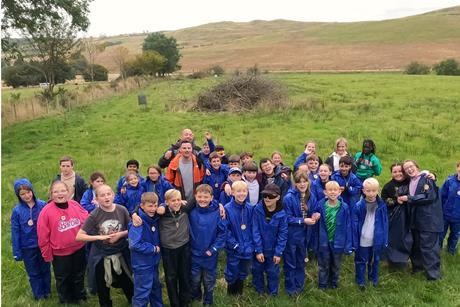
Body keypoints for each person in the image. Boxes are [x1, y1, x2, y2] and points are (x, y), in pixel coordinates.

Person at [76, 184, 134, 307]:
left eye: (108, 194)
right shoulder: (94, 215)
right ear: (96, 199)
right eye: (102, 195)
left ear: (113, 195)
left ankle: (133, 300)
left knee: (126, 280)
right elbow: (79, 236)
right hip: (102, 255)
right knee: (102, 286)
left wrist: (120, 235)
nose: (106, 197)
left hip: (120, 253)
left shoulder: (121, 210)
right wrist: (99, 237)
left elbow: (132, 229)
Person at [37, 181, 88, 304]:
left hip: (79, 247)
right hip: (60, 253)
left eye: (63, 190)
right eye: (56, 191)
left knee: (79, 274)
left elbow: (87, 219)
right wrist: (46, 253)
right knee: (63, 277)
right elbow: (43, 236)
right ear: (51, 194)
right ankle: (65, 299)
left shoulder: (75, 205)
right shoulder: (46, 212)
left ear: (68, 191)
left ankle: (79, 296)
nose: (60, 194)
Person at [399, 160, 443, 280]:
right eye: (406, 168)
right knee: (416, 246)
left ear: (417, 167)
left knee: (428, 248)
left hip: (428, 221)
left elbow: (429, 196)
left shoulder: (427, 178)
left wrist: (409, 198)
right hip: (416, 221)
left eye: (411, 166)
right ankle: (417, 268)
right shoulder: (410, 182)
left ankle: (434, 275)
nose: (409, 169)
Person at [11, 178, 51, 300]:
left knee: (45, 269)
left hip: (43, 244)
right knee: (33, 272)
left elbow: (50, 224)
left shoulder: (42, 205)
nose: (26, 195)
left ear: (32, 191)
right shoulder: (17, 211)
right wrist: (17, 251)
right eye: (22, 194)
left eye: (28, 192)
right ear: (18, 195)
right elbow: (15, 231)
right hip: (27, 247)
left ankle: (47, 292)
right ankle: (39, 295)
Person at [282, 171, 319, 295]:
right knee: (290, 262)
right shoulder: (288, 198)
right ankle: (290, 288)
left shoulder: (311, 196)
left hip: (306, 234)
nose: (302, 184)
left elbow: (313, 210)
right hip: (292, 235)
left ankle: (299, 286)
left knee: (301, 261)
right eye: (299, 182)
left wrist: (315, 214)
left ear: (308, 182)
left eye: (304, 181)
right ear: (295, 184)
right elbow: (287, 218)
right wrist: (303, 220)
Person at [189, 184, 226, 306]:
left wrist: (213, 249)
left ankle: (208, 300)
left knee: (209, 280)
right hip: (194, 254)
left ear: (212, 198)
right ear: (195, 196)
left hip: (210, 255)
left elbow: (222, 234)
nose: (202, 199)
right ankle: (196, 296)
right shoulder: (190, 211)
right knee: (194, 279)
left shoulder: (218, 213)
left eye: (206, 197)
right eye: (200, 196)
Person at [158, 189, 195, 307]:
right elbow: (142, 208)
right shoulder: (161, 213)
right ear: (167, 202)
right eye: (173, 200)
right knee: (171, 277)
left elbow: (199, 197)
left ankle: (184, 302)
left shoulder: (185, 208)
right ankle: (175, 303)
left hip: (184, 247)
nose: (176, 203)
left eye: (178, 200)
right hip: (168, 250)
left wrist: (219, 205)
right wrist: (134, 213)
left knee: (184, 275)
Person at [313, 181, 352, 290]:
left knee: (336, 265)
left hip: (338, 242)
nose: (333, 192)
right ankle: (322, 285)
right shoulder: (320, 205)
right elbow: (315, 219)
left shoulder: (344, 207)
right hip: (324, 241)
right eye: (330, 190)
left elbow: (348, 226)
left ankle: (334, 283)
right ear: (325, 192)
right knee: (323, 264)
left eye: (335, 190)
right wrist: (314, 216)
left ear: (340, 192)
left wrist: (348, 245)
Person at [252, 184, 288, 296]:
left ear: (278, 197)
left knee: (273, 272)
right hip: (259, 248)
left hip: (273, 250)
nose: (267, 198)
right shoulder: (257, 210)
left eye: (271, 196)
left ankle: (273, 293)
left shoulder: (282, 214)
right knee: (257, 270)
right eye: (265, 195)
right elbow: (255, 230)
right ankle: (259, 292)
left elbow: (283, 234)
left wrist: (278, 252)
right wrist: (258, 250)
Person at [352, 178, 388, 290]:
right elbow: (354, 224)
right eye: (368, 191)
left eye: (374, 190)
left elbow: (385, 222)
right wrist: (354, 240)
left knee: (375, 260)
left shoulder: (382, 205)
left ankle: (373, 279)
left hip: (377, 238)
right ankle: (360, 281)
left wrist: (385, 238)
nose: (371, 193)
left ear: (378, 190)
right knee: (361, 261)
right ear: (363, 191)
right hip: (363, 238)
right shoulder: (358, 205)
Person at [129, 192, 163, 307]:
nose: (153, 209)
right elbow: (134, 244)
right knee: (142, 293)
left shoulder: (154, 218)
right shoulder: (138, 222)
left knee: (155, 288)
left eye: (155, 206)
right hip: (142, 264)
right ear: (142, 206)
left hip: (153, 262)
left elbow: (166, 204)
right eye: (150, 206)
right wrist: (153, 249)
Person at [222, 181, 254, 296]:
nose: (241, 194)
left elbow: (253, 227)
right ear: (233, 193)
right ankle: (231, 294)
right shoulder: (227, 209)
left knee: (244, 270)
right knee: (232, 269)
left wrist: (251, 244)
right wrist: (234, 244)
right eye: (238, 191)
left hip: (248, 247)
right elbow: (225, 229)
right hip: (234, 248)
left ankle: (239, 293)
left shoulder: (250, 208)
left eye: (244, 191)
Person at [381, 163, 413, 269]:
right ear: (391, 173)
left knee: (408, 238)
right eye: (395, 172)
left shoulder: (411, 182)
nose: (398, 173)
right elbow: (385, 200)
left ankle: (406, 259)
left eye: (400, 171)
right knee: (394, 238)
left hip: (410, 214)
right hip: (394, 216)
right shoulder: (388, 186)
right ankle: (391, 260)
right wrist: (396, 201)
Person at [165, 140, 205, 204]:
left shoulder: (198, 162)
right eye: (184, 148)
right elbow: (168, 182)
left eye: (189, 148)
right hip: (180, 200)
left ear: (192, 149)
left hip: (196, 199)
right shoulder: (173, 164)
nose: (187, 150)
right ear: (180, 150)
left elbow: (202, 179)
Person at [440, 161, 460, 255]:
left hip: (458, 217)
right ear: (457, 167)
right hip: (445, 214)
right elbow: (442, 196)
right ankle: (437, 250)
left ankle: (451, 251)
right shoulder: (449, 181)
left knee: (455, 235)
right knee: (440, 233)